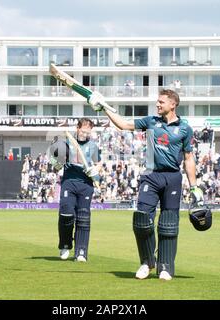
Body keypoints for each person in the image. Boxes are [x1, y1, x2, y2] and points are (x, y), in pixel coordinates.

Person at [88, 89, 204, 281]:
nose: (157, 104)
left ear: (173, 104)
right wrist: (103, 108)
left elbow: (188, 158)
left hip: (173, 177)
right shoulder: (151, 121)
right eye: (157, 102)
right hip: (150, 176)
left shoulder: (184, 128)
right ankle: (147, 262)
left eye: (161, 102)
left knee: (169, 223)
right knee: (142, 219)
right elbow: (123, 124)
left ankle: (165, 266)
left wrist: (194, 187)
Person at [48, 118, 101, 262]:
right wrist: (57, 163)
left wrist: (95, 170)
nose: (85, 134)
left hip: (86, 184)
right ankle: (65, 245)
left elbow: (98, 164)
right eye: (83, 131)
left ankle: (81, 252)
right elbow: (56, 164)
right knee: (66, 213)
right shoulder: (66, 143)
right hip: (69, 182)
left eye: (88, 132)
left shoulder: (93, 146)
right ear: (77, 128)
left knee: (83, 218)